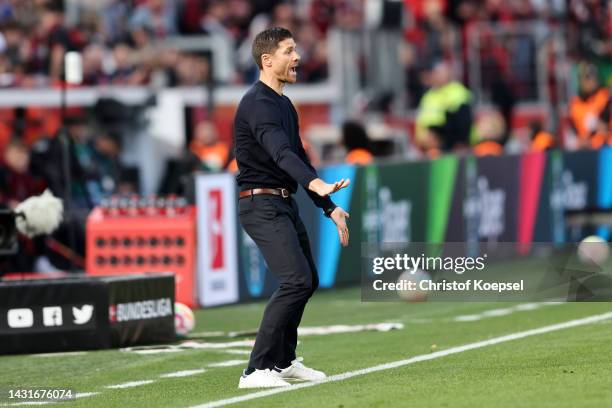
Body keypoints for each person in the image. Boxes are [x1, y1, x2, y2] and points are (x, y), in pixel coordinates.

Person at [233, 27, 350, 389]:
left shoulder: (283, 103)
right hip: (260, 203)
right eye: (288, 51)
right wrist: (316, 184)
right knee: (295, 279)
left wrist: (328, 206)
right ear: (267, 60)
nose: (297, 57)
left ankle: (283, 362)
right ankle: (255, 370)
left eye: (295, 49)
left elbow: (298, 156)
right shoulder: (257, 103)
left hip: (282, 202)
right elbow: (281, 155)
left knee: (307, 280)